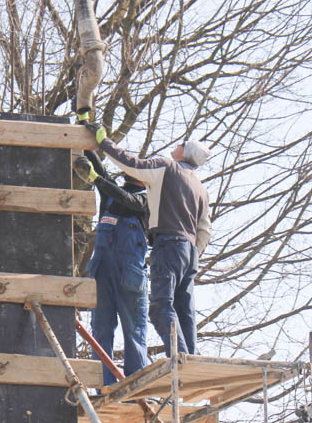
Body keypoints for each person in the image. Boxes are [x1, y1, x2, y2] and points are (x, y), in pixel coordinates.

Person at [84, 121, 211, 356]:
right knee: (184, 309)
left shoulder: (165, 170)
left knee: (161, 306)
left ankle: (180, 358)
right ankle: (189, 357)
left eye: (181, 144)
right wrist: (193, 252)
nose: (177, 146)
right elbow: (205, 229)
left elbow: (130, 164)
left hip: (167, 245)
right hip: (189, 251)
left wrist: (103, 142)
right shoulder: (200, 188)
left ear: (185, 152)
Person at [74, 151, 151, 385]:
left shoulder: (146, 200)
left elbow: (125, 198)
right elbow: (103, 175)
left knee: (134, 332)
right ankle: (104, 385)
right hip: (102, 275)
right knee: (101, 331)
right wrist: (88, 142)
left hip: (130, 277)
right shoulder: (110, 195)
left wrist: (96, 178)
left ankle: (135, 386)